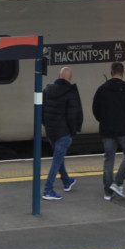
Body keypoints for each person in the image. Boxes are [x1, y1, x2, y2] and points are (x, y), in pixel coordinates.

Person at [92, 62, 125, 201]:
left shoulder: (101, 89)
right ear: (123, 73)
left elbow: (96, 109)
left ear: (111, 72)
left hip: (107, 130)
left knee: (109, 159)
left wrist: (103, 121)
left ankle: (107, 192)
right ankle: (118, 182)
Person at [41, 66, 83, 201]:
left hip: (51, 131)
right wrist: (72, 131)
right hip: (63, 132)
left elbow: (41, 112)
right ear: (69, 78)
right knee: (57, 160)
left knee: (59, 157)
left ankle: (66, 181)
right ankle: (48, 190)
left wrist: (47, 126)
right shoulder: (70, 92)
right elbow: (73, 115)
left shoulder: (47, 90)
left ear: (59, 76)